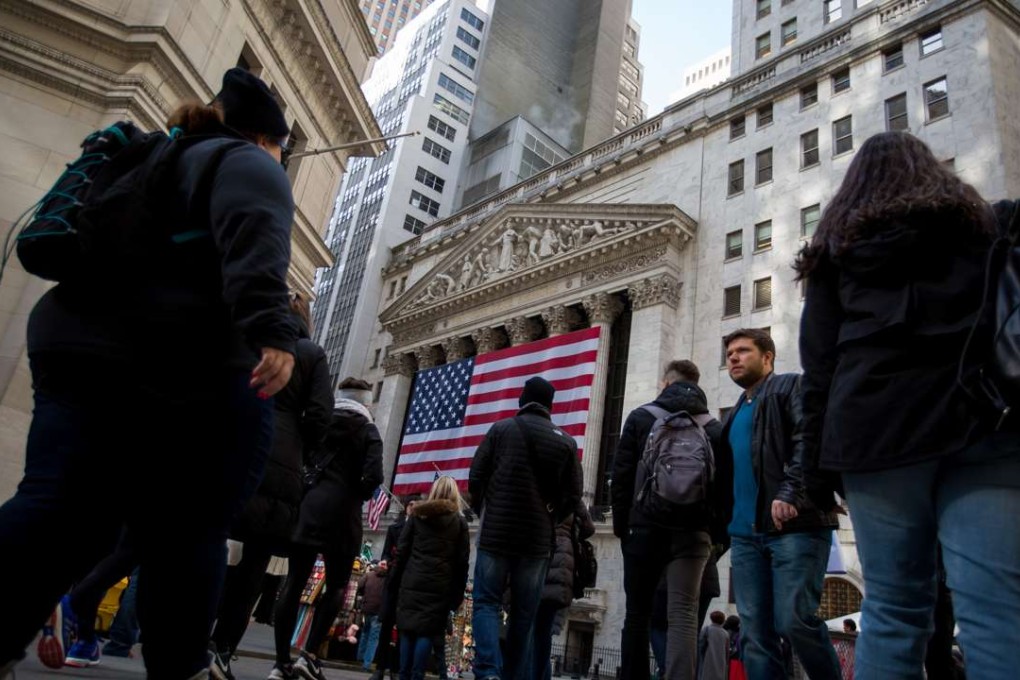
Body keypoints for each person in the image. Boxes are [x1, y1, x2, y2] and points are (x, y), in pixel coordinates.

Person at [0, 66, 298, 679]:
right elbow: (255, 238)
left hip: (72, 341)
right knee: (190, 526)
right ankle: (179, 668)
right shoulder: (251, 164)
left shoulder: (150, 154)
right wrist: (274, 333)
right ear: (269, 140)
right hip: (176, 356)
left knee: (62, 509)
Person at [796, 130, 1020, 679]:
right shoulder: (986, 228)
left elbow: (818, 371)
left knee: (894, 610)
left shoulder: (834, 254)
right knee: (994, 609)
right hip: (982, 425)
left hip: (876, 438)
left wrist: (811, 473)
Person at [210, 294, 333, 680]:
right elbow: (320, 415)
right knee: (254, 567)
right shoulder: (310, 354)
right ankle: (222, 650)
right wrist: (303, 450)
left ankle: (183, 639)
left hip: (230, 450)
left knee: (206, 546)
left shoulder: (246, 339)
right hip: (279, 463)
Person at [719, 329, 841, 680]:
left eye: (743, 351)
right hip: (745, 536)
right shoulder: (734, 413)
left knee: (794, 620)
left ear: (767, 357)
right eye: (729, 354)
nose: (734, 358)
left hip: (795, 527)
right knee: (755, 634)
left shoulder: (790, 387)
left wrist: (791, 491)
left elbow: (810, 440)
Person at [611, 359, 733, 680]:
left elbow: (621, 479)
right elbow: (726, 491)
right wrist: (715, 536)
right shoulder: (715, 428)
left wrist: (623, 528)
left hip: (644, 528)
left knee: (637, 614)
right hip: (694, 533)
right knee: (684, 615)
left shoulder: (640, 418)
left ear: (666, 384)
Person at [468, 376, 582, 680]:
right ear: (549, 405)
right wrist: (550, 518)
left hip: (496, 533)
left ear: (523, 400)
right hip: (536, 541)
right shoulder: (566, 441)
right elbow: (573, 497)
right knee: (525, 614)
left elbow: (475, 479)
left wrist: (487, 511)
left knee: (487, 602)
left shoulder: (501, 429)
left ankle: (489, 671)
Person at [271, 378, 384, 680]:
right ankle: (308, 656)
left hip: (309, 508)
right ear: (365, 401)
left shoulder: (319, 422)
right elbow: (374, 476)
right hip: (344, 515)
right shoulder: (369, 430)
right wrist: (353, 494)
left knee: (294, 582)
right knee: (336, 585)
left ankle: (281, 662)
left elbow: (301, 458)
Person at [387, 476, 470, 680]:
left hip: (412, 580)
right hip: (440, 586)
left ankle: (403, 674)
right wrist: (457, 594)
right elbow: (462, 563)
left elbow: (402, 551)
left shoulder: (417, 516)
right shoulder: (459, 522)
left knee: (407, 630)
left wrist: (394, 580)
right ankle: (417, 675)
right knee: (426, 632)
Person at [532, 500, 595, 680]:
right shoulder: (570, 493)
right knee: (544, 634)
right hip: (561, 568)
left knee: (533, 632)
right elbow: (589, 528)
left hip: (538, 558)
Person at [357, 560, 389, 671]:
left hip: (366, 609)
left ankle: (359, 658)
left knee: (365, 633)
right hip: (378, 611)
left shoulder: (368, 574)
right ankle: (366, 664)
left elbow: (359, 585)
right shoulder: (388, 579)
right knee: (373, 638)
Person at [697, 611, 729, 680]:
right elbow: (727, 651)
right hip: (721, 661)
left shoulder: (706, 629)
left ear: (711, 619)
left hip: (707, 659)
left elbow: (700, 645)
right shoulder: (725, 633)